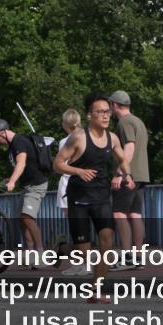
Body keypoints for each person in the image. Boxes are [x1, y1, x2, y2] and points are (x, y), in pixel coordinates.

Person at [54, 92, 134, 301]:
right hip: (79, 198)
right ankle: (64, 249)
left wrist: (127, 174)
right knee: (84, 253)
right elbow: (58, 164)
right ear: (90, 115)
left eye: (107, 112)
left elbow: (123, 159)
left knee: (107, 243)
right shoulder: (79, 137)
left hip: (101, 197)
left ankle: (95, 291)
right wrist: (79, 171)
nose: (106, 116)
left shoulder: (112, 138)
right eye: (100, 112)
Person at [0, 118, 48, 260]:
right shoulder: (13, 146)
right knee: (21, 220)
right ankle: (30, 254)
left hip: (36, 184)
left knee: (27, 217)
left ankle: (41, 253)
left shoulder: (18, 141)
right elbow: (21, 168)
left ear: (2, 133)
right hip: (26, 185)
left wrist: (12, 182)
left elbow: (21, 163)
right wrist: (10, 179)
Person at [110, 91, 149, 265]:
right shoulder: (138, 121)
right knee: (135, 213)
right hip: (141, 174)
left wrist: (120, 172)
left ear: (115, 105)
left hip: (129, 175)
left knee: (119, 213)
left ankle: (126, 256)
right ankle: (138, 255)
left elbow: (129, 148)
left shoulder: (124, 123)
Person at [56, 110, 90, 276]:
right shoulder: (88, 137)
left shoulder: (66, 141)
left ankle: (80, 263)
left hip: (69, 182)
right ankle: (81, 261)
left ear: (65, 124)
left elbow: (60, 164)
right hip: (85, 182)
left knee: (75, 225)